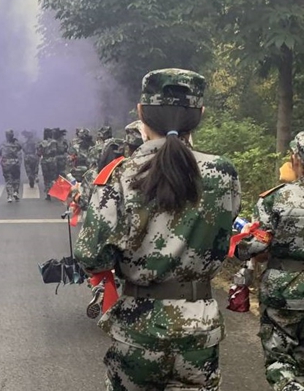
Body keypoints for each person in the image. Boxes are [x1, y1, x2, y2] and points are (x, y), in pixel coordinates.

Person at [74, 68, 241, 390]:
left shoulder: (122, 174)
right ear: (200, 114)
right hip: (199, 326)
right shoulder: (224, 173)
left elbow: (92, 257)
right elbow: (224, 232)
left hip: (139, 327)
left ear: (141, 113)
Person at [237, 132, 304, 391]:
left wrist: (239, 245)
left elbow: (257, 247)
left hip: (284, 292)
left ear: (295, 158)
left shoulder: (276, 199)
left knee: (281, 360)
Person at [0, 129, 22, 203]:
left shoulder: (2, 144)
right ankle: (15, 192)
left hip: (6, 163)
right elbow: (20, 147)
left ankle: (9, 196)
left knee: (8, 180)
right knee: (16, 178)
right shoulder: (16, 144)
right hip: (15, 163)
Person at [37, 128, 58, 200]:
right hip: (53, 160)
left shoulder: (41, 143)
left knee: (46, 178)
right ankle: (54, 190)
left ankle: (48, 192)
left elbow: (39, 153)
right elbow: (57, 150)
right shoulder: (54, 142)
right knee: (53, 176)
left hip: (44, 161)